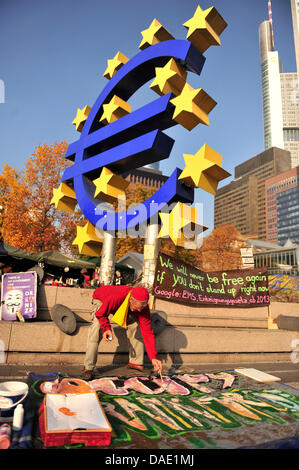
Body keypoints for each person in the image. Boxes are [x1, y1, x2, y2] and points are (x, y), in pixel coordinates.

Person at [81, 285, 162, 380]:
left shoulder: (142, 308)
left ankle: (135, 362)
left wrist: (153, 357)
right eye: (137, 308)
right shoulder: (116, 297)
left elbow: (147, 332)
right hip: (101, 299)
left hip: (122, 305)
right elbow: (100, 314)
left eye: (142, 308)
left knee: (136, 325)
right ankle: (88, 368)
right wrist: (106, 328)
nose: (140, 311)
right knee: (96, 327)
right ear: (131, 300)